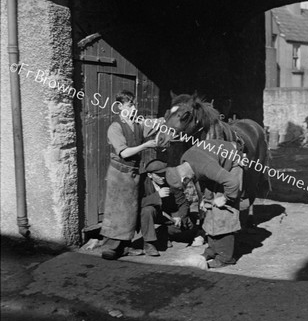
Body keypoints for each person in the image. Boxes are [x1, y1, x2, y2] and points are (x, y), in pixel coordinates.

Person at [165, 139, 244, 269]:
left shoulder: (206, 166)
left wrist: (226, 198)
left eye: (185, 183)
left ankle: (225, 257)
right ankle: (213, 249)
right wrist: (205, 200)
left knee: (223, 212)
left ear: (184, 178)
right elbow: (200, 177)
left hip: (233, 163)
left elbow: (232, 182)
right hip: (217, 162)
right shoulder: (185, 160)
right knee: (208, 207)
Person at [100, 91, 157, 260]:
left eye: (134, 105)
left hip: (133, 174)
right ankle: (110, 248)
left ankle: (124, 247)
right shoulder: (115, 127)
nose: (134, 108)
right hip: (119, 174)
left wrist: (166, 120)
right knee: (116, 210)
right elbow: (124, 153)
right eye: (130, 105)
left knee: (130, 212)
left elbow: (156, 125)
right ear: (119, 106)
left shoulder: (137, 125)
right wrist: (146, 145)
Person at [139, 159, 193, 256]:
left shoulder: (170, 180)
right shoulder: (141, 182)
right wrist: (157, 196)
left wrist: (181, 217)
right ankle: (149, 244)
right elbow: (137, 203)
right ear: (149, 175)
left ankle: (162, 234)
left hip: (168, 215)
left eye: (164, 173)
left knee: (188, 224)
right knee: (147, 210)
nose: (162, 177)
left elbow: (183, 203)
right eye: (158, 175)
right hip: (149, 216)